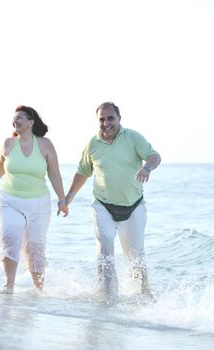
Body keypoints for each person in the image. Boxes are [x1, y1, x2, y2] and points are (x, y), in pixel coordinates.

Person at [63, 101, 161, 299]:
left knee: (135, 255)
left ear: (119, 119)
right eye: (102, 119)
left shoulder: (132, 137)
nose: (106, 123)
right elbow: (83, 172)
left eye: (110, 118)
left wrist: (147, 168)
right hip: (103, 206)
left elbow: (154, 156)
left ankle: (143, 294)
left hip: (133, 206)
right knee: (105, 247)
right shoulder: (93, 144)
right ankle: (107, 295)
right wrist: (68, 198)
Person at [0, 105, 68, 294]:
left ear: (31, 122)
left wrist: (63, 200)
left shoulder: (45, 144)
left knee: (35, 246)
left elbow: (54, 174)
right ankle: (9, 286)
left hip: (39, 204)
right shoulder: (8, 144)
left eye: (20, 117)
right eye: (14, 118)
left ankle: (39, 290)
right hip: (9, 201)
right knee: (11, 237)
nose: (16, 121)